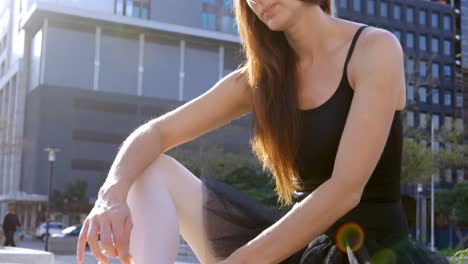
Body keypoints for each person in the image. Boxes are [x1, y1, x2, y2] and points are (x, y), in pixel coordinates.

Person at [76, 0, 449, 263]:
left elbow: (345, 190)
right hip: (297, 250)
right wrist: (111, 194)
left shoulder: (375, 49)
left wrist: (240, 262)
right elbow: (156, 132)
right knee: (149, 169)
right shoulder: (262, 79)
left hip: (372, 251)